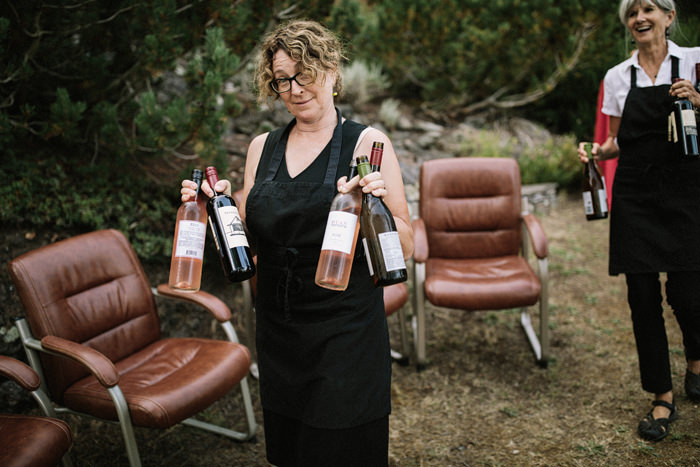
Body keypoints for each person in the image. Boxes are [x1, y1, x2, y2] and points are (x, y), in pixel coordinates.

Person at [181, 19, 413, 466]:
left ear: (331, 71)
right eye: (282, 80)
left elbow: (406, 245)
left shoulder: (367, 144)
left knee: (341, 450)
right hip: (278, 328)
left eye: (304, 74)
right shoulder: (262, 147)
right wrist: (214, 209)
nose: (294, 89)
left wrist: (373, 206)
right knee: (292, 450)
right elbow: (248, 238)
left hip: (343, 330)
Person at [577, 0, 700, 442]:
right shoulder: (617, 76)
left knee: (689, 293)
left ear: (669, 16)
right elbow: (616, 141)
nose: (639, 18)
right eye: (632, 13)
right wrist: (596, 152)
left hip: (686, 191)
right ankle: (662, 395)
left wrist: (698, 100)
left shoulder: (695, 61)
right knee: (642, 297)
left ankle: (696, 361)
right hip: (635, 194)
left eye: (649, 8)